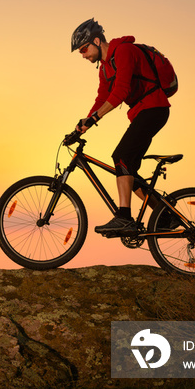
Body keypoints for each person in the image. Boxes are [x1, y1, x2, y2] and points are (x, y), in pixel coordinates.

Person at [69, 18, 170, 235]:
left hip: (154, 109)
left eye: (84, 48)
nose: (83, 55)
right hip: (142, 113)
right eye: (80, 52)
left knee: (121, 156)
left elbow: (121, 91)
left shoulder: (124, 52)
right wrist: (81, 127)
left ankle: (124, 217)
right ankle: (164, 213)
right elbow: (102, 98)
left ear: (97, 41)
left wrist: (94, 118)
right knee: (126, 170)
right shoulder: (105, 69)